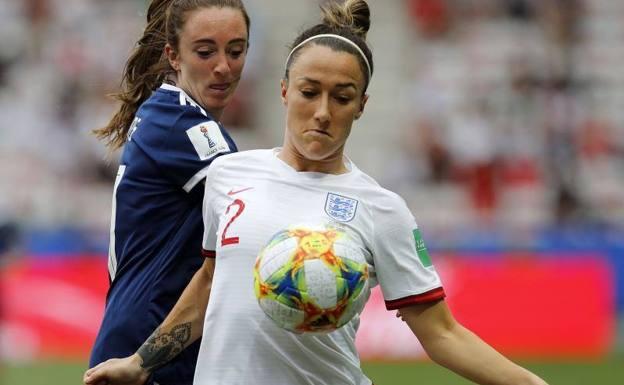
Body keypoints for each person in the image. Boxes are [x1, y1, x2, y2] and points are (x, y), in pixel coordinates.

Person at [84, 1, 549, 384]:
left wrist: (529, 383)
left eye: (342, 97)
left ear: (362, 107)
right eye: (310, 91)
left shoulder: (380, 208)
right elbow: (206, 285)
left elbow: (442, 333)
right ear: (284, 90)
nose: (323, 112)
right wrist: (140, 361)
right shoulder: (229, 177)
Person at [87, 1, 250, 385]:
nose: (224, 66)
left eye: (237, 50)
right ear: (173, 56)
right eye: (205, 51)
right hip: (144, 352)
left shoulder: (167, 114)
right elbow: (258, 202)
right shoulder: (183, 125)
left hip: (147, 344)